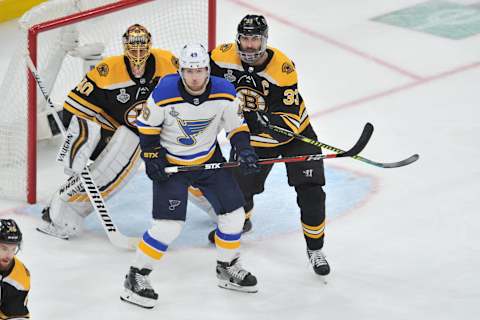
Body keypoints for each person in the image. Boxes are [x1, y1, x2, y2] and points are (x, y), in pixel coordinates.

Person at [120, 44, 259, 309]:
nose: (195, 77)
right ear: (180, 70)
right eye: (189, 71)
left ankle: (227, 267)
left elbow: (237, 126)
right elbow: (146, 127)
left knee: (235, 216)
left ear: (208, 69)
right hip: (173, 166)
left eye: (200, 70)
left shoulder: (225, 92)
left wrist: (244, 151)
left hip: (208, 160)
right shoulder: (163, 93)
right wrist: (151, 156)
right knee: (168, 226)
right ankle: (136, 276)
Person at [194, 15, 331, 276]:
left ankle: (315, 249)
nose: (249, 45)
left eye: (255, 39)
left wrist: (264, 120)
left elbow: (289, 121)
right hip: (252, 140)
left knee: (311, 192)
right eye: (245, 39)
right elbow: (197, 72)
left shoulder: (282, 69)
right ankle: (241, 222)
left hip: (295, 136)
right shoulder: (221, 57)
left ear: (264, 40)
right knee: (238, 193)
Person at [38, 24, 179, 239]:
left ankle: (225, 209)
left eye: (142, 48)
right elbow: (74, 109)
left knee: (187, 164)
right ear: (124, 47)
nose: (138, 54)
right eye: (133, 48)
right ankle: (65, 209)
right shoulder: (108, 70)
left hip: (157, 130)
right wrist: (81, 142)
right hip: (118, 130)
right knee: (111, 170)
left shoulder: (167, 62)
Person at [0, 219, 30, 319]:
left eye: (13, 249)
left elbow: (15, 316)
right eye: (4, 248)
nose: (9, 255)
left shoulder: (20, 277)